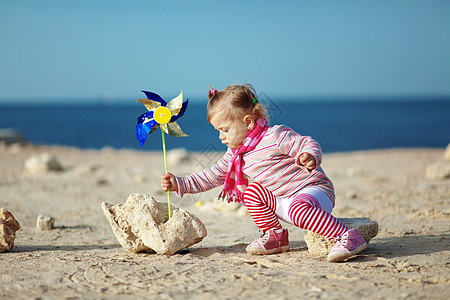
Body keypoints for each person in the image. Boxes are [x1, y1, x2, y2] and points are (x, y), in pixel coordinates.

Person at [161, 84, 367, 262]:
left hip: (313, 191)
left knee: (298, 208)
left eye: (225, 129)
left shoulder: (274, 135)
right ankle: (275, 236)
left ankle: (348, 236)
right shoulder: (235, 154)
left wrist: (308, 155)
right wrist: (180, 183)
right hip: (284, 199)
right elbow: (212, 175)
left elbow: (306, 142)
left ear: (248, 122)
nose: (221, 137)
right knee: (251, 192)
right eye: (218, 131)